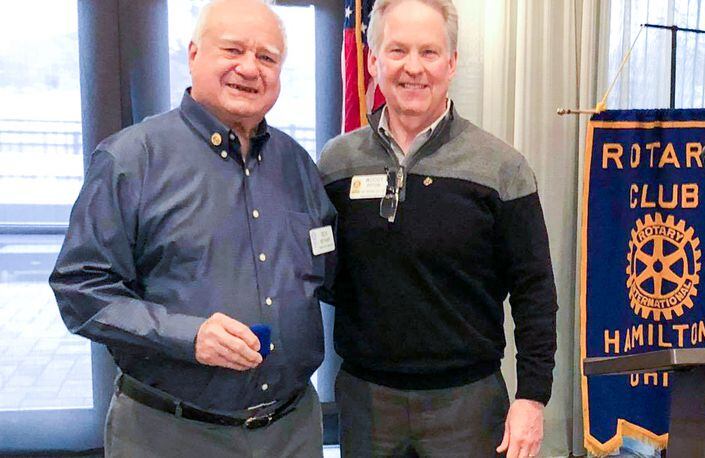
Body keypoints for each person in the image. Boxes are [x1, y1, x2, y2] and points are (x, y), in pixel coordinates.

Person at [49, 1, 335, 456]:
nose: (249, 68)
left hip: (292, 431)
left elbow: (331, 276)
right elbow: (79, 288)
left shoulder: (298, 165)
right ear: (194, 54)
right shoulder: (132, 159)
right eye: (233, 49)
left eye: (267, 57)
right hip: (171, 434)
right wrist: (188, 335)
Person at [318, 0, 558, 457]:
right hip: (366, 401)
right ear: (373, 61)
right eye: (397, 51)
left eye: (429, 52)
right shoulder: (336, 163)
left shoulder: (502, 167)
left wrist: (532, 396)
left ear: (452, 63)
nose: (413, 68)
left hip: (466, 406)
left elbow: (535, 292)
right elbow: (316, 271)